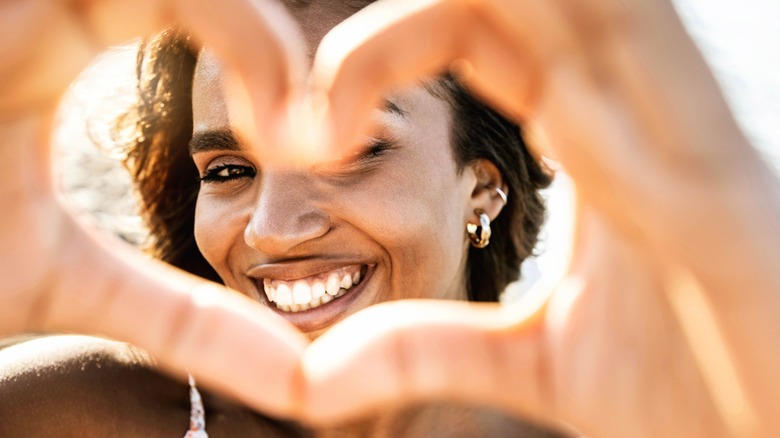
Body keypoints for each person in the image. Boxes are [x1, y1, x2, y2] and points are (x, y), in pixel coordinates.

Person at [1, 0, 779, 437]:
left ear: (486, 186)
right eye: (229, 170)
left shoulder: (638, 422)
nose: (272, 229)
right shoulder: (72, 415)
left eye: (352, 153)